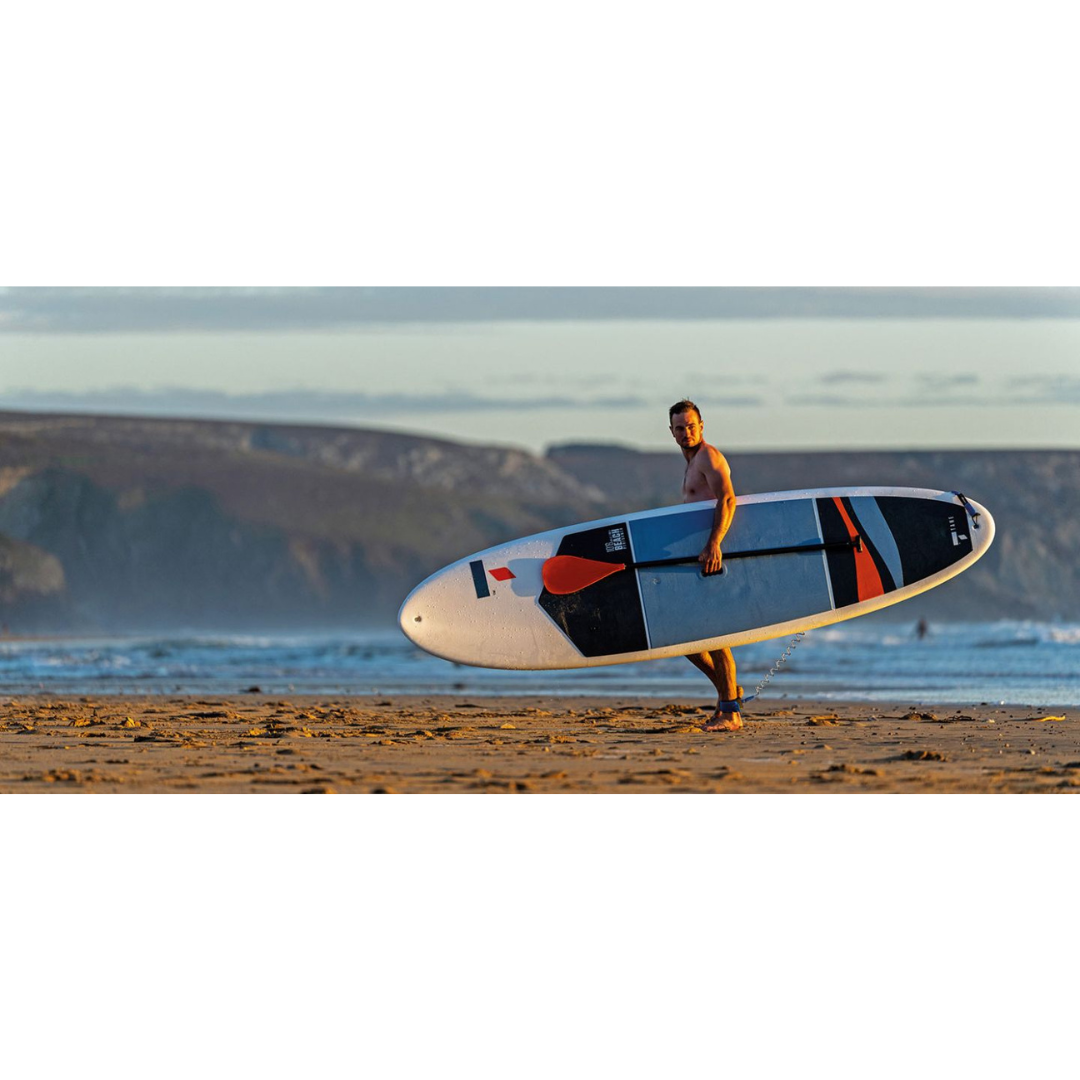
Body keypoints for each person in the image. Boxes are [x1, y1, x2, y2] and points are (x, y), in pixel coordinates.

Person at [669, 400, 743, 732]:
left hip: (711, 555)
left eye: (692, 426)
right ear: (671, 432)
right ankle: (730, 695)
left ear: (702, 426)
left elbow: (727, 498)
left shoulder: (708, 457)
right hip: (699, 556)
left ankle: (730, 713)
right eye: (680, 428)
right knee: (687, 639)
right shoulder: (690, 463)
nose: (687, 432)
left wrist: (715, 544)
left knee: (714, 633)